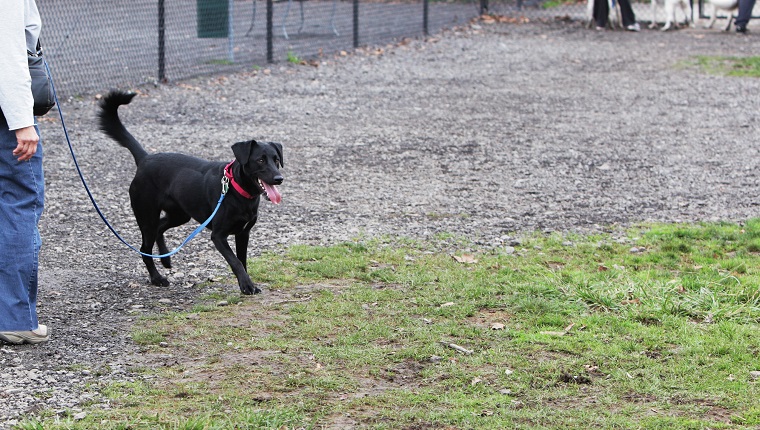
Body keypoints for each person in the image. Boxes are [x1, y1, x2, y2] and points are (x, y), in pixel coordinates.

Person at [0, 0, 50, 345]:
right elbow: (8, 54)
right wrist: (22, 121)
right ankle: (16, 317)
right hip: (5, 116)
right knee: (20, 202)